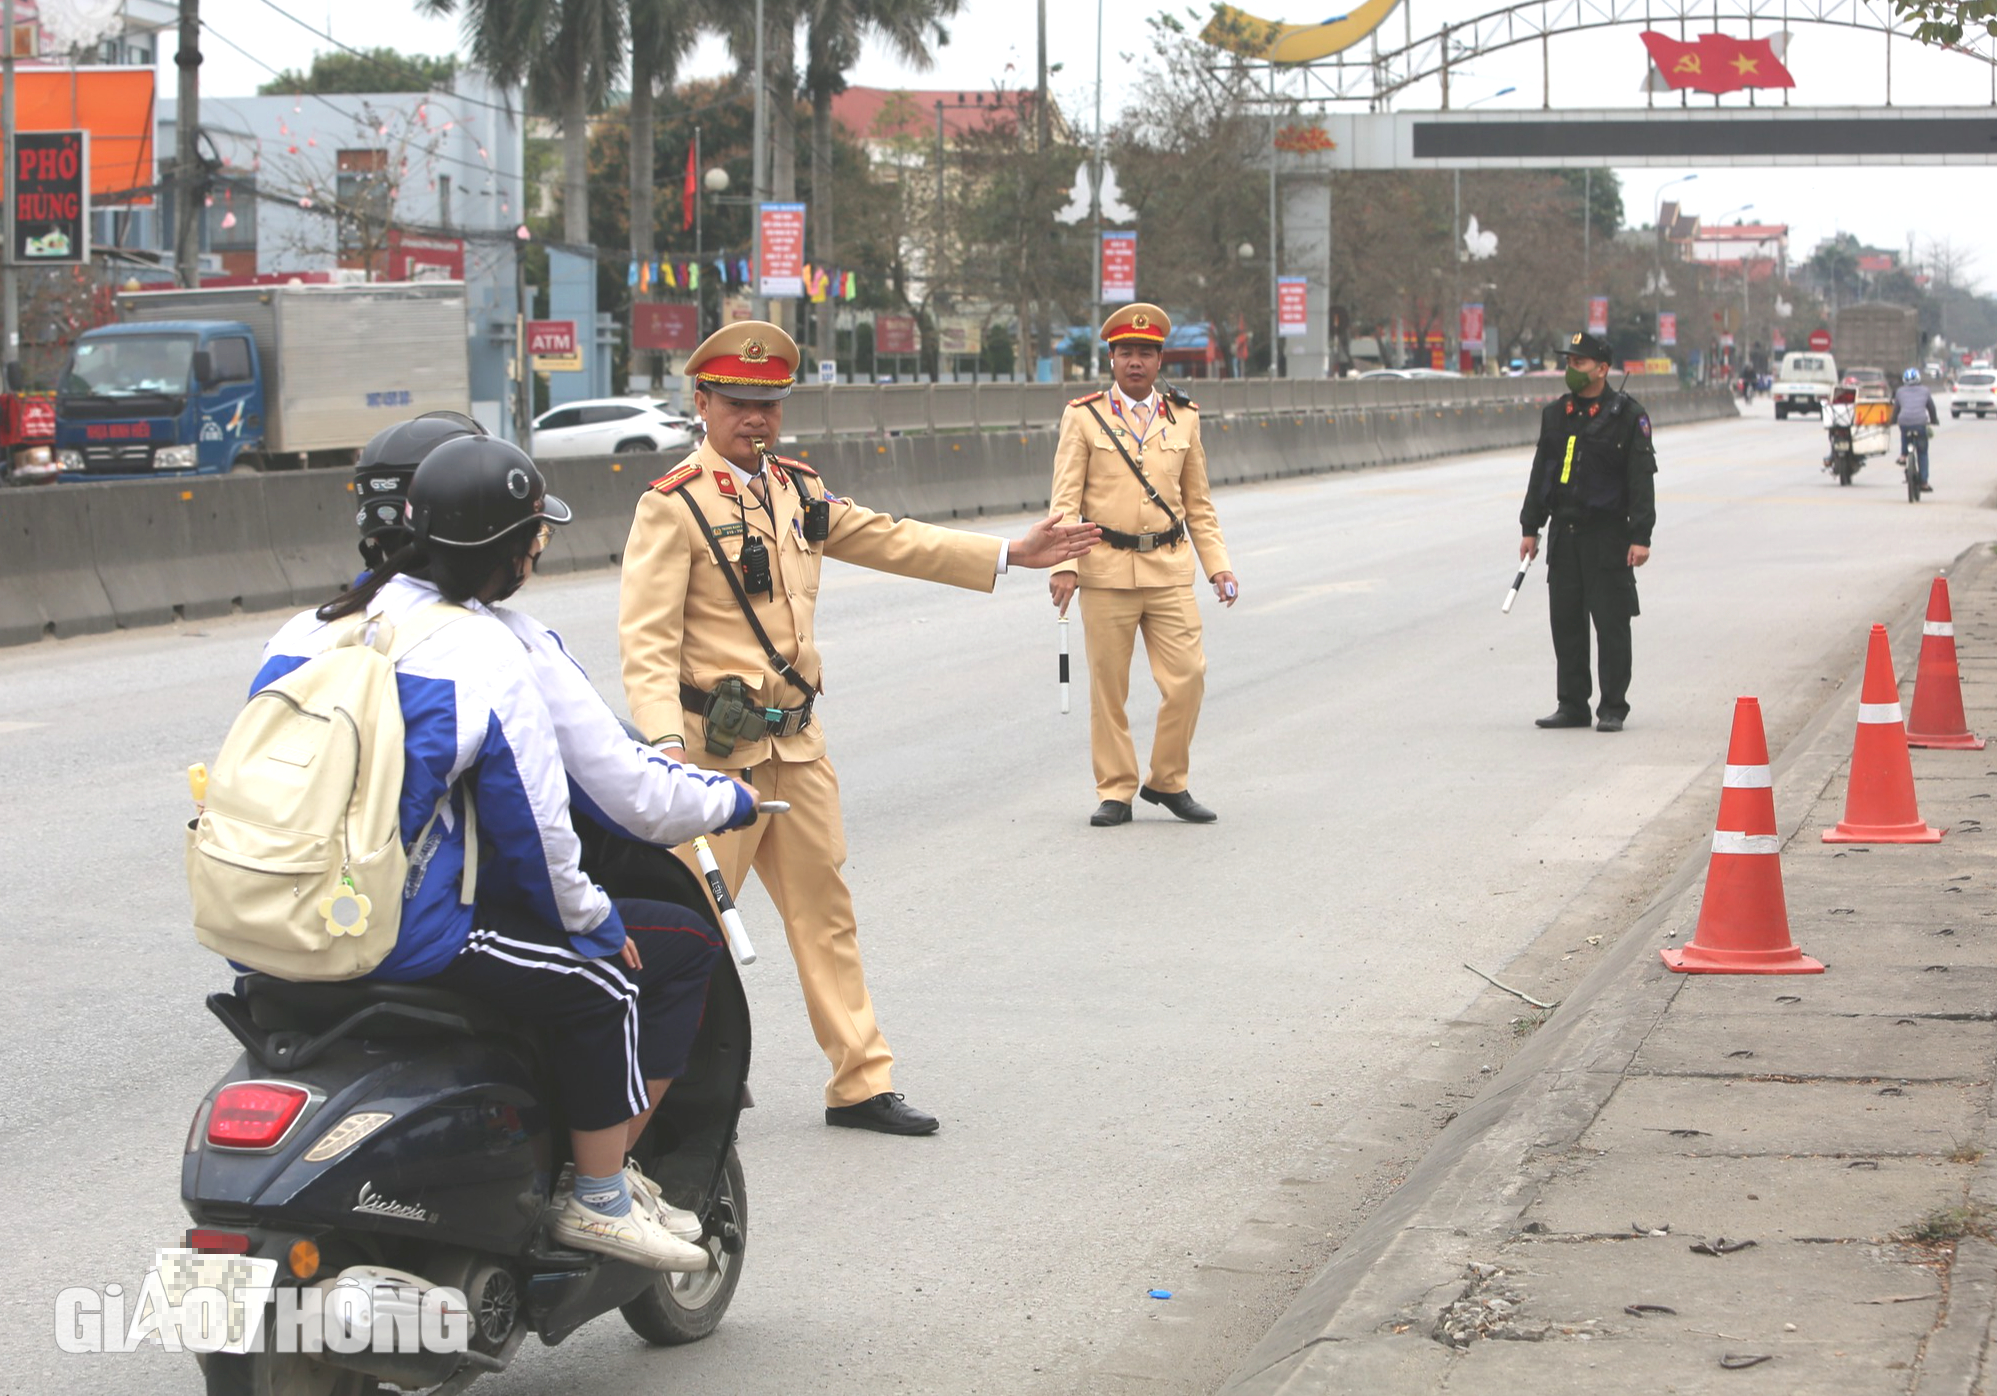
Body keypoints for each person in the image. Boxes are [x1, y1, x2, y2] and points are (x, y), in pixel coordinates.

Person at [255, 435, 758, 1271]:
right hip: (398, 929)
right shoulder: (486, 647)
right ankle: (598, 1195)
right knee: (615, 976)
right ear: (506, 549)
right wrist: (594, 921)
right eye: (535, 536)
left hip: (270, 920)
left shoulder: (309, 628)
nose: (538, 551)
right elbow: (537, 827)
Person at [618, 321, 1098, 1136]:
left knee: (826, 916)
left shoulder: (797, 490)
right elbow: (646, 642)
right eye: (737, 404)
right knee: (695, 927)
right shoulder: (673, 506)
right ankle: (664, 1085)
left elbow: (890, 539)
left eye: (769, 405)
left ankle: (859, 1082)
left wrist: (1009, 554)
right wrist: (665, 747)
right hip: (712, 758)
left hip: (796, 746)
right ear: (700, 402)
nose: (755, 420)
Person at [1048, 303, 1237, 828]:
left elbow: (1198, 504)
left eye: (1146, 353)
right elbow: (1065, 499)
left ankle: (1168, 780)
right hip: (1105, 568)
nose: (1136, 362)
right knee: (1109, 689)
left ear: (1159, 361)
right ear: (1111, 359)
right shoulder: (1084, 417)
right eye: (1127, 352)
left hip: (1169, 569)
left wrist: (1218, 565)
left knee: (1188, 678)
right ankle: (1116, 790)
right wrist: (1064, 565)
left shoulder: (1185, 417)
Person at [1518, 330, 1657, 733]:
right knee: (1566, 623)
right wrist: (1530, 527)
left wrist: (1641, 536)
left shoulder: (1628, 416)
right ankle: (1572, 704)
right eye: (1569, 362)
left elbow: (1640, 480)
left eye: (1579, 362)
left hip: (1607, 535)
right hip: (1565, 533)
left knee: (1611, 623)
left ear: (1602, 369)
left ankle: (1612, 706)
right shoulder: (1555, 414)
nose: (1572, 369)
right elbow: (1540, 472)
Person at [1893, 366, 1939, 493]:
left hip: (1904, 422)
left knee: (1904, 433)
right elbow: (1931, 408)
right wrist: (1934, 420)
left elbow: (1896, 409)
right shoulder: (1925, 390)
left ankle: (1903, 456)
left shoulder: (1900, 391)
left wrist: (1892, 421)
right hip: (1920, 423)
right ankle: (1924, 483)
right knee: (1922, 453)